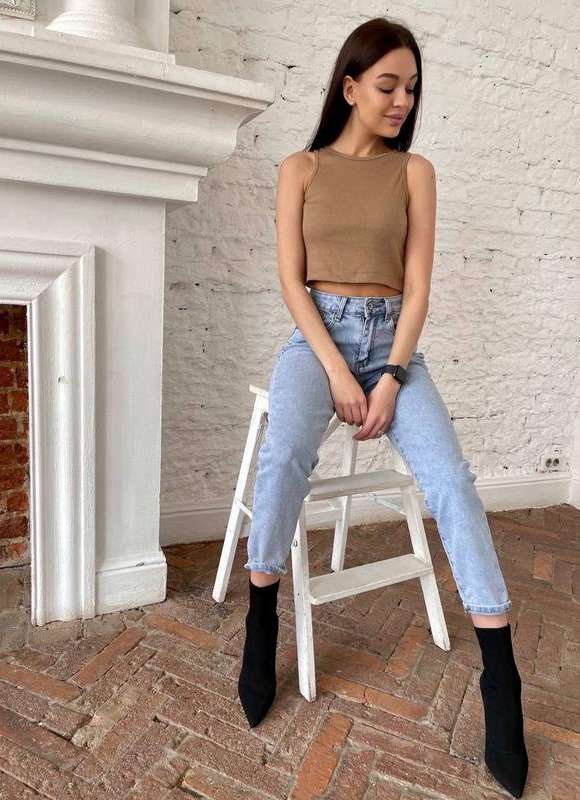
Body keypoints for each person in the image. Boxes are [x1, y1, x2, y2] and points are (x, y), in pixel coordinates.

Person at [237, 16, 528, 798]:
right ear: (349, 87)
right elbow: (290, 281)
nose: (402, 101)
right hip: (317, 340)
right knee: (283, 457)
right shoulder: (300, 168)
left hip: (392, 343)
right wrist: (337, 370)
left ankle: (500, 678)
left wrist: (391, 375)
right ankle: (261, 618)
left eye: (411, 88)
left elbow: (419, 284)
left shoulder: (414, 172)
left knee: (452, 483)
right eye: (387, 85)